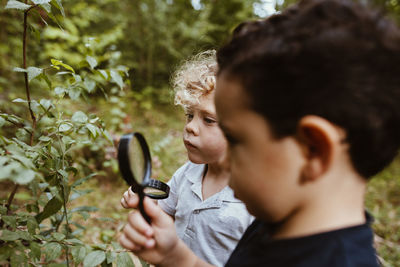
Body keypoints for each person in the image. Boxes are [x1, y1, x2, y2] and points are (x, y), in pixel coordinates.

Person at [119, 0, 400, 266]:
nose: (226, 162)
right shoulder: (279, 218)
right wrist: (179, 258)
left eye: (238, 140)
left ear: (313, 150)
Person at [120, 50, 254, 267]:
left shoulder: (254, 201)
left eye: (209, 120)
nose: (190, 127)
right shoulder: (188, 173)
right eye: (190, 115)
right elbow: (164, 213)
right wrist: (145, 204)